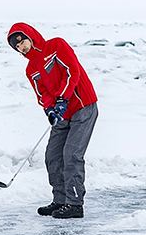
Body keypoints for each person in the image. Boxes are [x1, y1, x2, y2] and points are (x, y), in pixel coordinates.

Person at [7, 23, 99, 219]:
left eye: (22, 42)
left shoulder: (56, 46)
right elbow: (42, 94)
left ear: (30, 36)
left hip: (83, 106)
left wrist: (62, 99)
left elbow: (72, 72)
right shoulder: (31, 69)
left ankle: (75, 204)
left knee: (71, 154)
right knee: (52, 155)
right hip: (61, 112)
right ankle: (61, 200)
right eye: (17, 47)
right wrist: (50, 109)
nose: (21, 48)